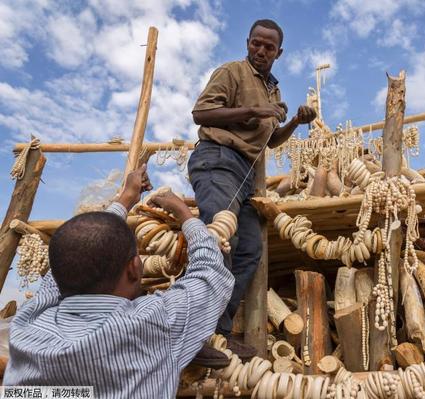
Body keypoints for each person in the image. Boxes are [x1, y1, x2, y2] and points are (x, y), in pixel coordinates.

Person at [3, 165, 235, 398]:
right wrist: (185, 213)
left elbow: (66, 263)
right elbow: (210, 273)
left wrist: (125, 199)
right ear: (135, 267)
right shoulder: (154, 324)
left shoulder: (26, 326)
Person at [189, 19, 316, 359]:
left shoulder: (273, 90)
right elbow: (201, 113)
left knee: (248, 251)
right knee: (220, 240)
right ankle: (195, 335)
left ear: (279, 52)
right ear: (247, 42)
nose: (260, 50)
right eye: (256, 43)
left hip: (245, 172)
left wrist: (293, 123)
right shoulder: (232, 71)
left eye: (268, 47)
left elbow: (270, 141)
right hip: (218, 158)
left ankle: (218, 332)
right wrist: (255, 110)